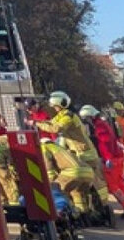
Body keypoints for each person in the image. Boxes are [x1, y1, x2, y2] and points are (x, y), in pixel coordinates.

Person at [35, 91, 110, 221]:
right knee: (80, 189)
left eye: (53, 106)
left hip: (85, 154)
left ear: (58, 104)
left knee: (92, 185)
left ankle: (100, 210)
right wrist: (38, 121)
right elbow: (51, 124)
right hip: (79, 153)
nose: (52, 108)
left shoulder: (68, 116)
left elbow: (56, 129)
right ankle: (85, 213)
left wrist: (36, 124)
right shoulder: (61, 116)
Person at [80, 105, 124, 219]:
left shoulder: (100, 127)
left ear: (90, 116)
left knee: (113, 186)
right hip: (117, 157)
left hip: (111, 159)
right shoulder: (104, 124)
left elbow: (104, 144)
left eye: (86, 118)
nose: (86, 121)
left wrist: (107, 159)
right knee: (121, 183)